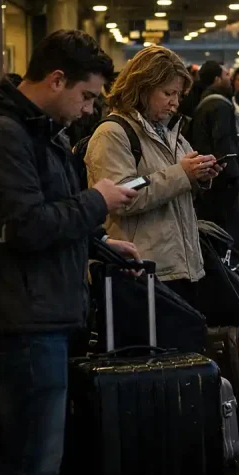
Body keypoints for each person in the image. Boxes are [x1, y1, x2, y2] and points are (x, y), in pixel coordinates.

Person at [0, 30, 138, 475]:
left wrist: (98, 244)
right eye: (87, 96)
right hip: (21, 323)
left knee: (15, 462)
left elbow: (50, 214)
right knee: (31, 468)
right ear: (57, 80)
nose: (90, 109)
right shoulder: (0, 134)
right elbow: (25, 226)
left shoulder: (38, 132)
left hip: (34, 314)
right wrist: (97, 202)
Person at [84, 46, 223, 306]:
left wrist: (200, 176)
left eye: (178, 95)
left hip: (183, 267)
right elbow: (124, 195)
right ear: (142, 87)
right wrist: (182, 173)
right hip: (141, 272)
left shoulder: (170, 131)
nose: (175, 102)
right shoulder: (113, 134)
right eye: (167, 93)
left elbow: (179, 186)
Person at [188, 61, 239, 242]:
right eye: (226, 75)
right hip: (221, 178)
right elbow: (223, 141)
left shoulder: (203, 101)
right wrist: (232, 173)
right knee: (226, 228)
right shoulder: (220, 105)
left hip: (207, 174)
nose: (230, 79)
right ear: (217, 79)